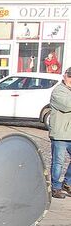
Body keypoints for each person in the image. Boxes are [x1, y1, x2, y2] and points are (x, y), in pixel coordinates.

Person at [48, 67, 71, 199]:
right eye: (70, 76)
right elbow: (67, 105)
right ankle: (55, 187)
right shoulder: (58, 91)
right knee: (58, 162)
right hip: (60, 134)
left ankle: (67, 183)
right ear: (65, 76)